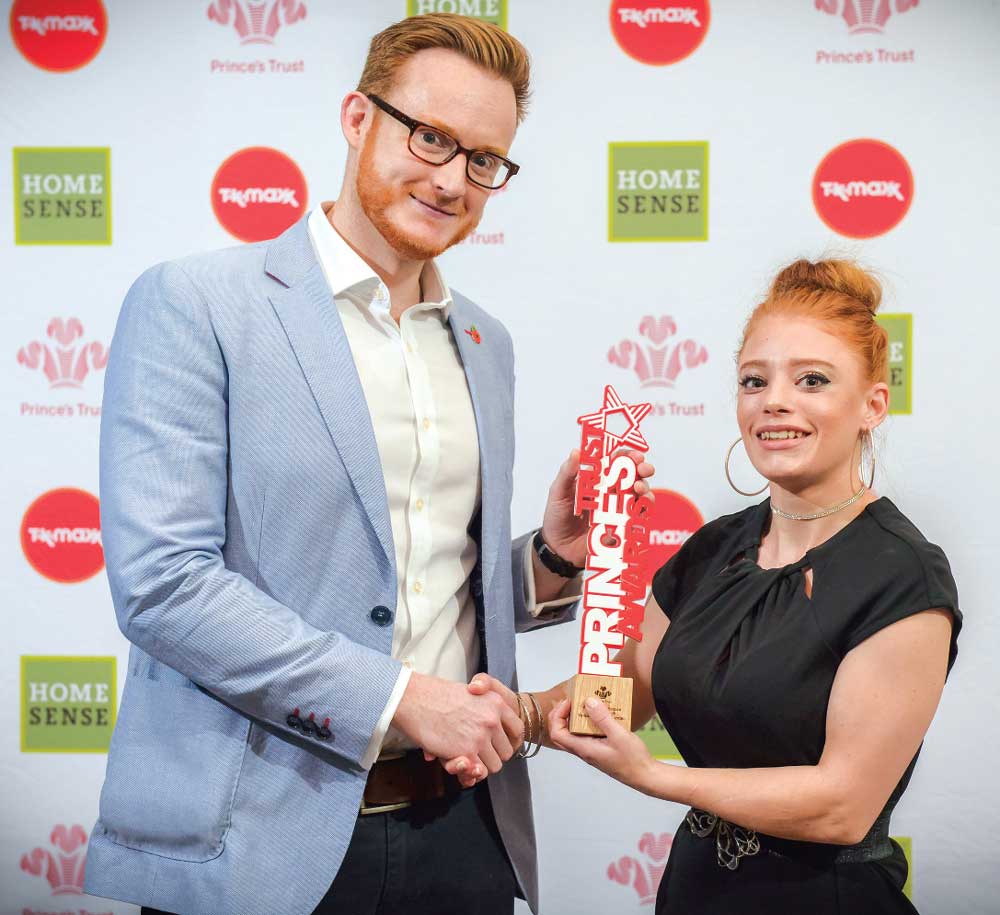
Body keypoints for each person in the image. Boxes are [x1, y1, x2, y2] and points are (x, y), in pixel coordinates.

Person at [83, 14, 653, 915]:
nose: (451, 179)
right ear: (358, 118)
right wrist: (398, 699)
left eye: (484, 159)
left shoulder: (485, 341)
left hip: (462, 830)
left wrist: (549, 556)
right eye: (430, 136)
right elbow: (163, 583)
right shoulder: (197, 304)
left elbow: (425, 584)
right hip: (259, 836)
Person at [460, 259, 961, 914]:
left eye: (812, 379)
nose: (774, 400)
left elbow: (842, 806)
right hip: (695, 889)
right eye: (755, 380)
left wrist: (655, 777)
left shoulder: (901, 574)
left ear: (873, 404)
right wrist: (515, 713)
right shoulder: (713, 549)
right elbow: (621, 695)